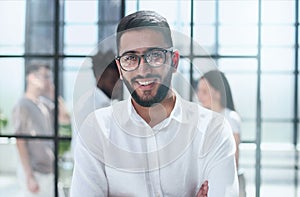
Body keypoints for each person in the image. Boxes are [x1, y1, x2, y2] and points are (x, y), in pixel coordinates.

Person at [71, 10, 238, 197]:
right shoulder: (97, 129)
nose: (143, 70)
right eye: (130, 58)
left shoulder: (213, 129)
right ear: (120, 68)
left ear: (174, 61)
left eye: (155, 55)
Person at [12, 63, 70, 197]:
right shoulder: (22, 105)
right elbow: (20, 141)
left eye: (49, 77)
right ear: (32, 77)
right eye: (45, 76)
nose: (48, 80)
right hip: (35, 173)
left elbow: (65, 118)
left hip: (49, 171)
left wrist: (53, 93)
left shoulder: (44, 104)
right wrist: (29, 175)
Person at [196, 70, 246, 197]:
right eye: (199, 91)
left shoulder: (231, 118)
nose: (199, 96)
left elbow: (234, 158)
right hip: (207, 183)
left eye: (204, 92)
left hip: (227, 182)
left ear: (217, 94)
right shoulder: (201, 118)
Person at [71, 50, 123, 153]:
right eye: (113, 80)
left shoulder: (106, 104)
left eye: (120, 81)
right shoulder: (89, 106)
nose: (119, 86)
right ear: (99, 78)